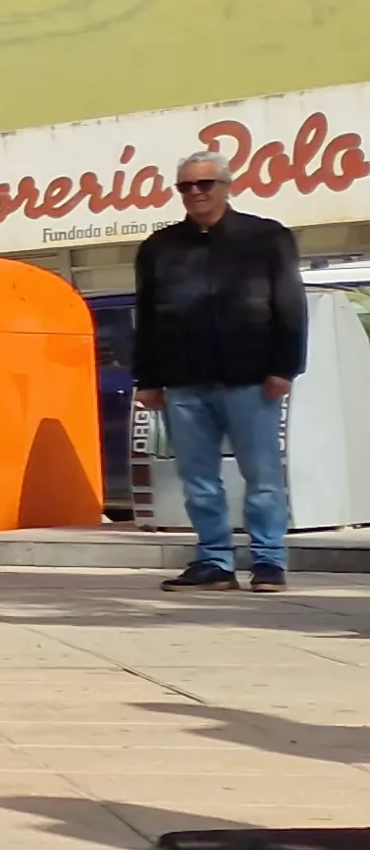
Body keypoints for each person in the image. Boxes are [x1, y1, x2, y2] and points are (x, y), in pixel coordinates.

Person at [134, 148, 305, 593]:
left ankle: (268, 561)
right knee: (198, 479)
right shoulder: (160, 248)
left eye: (204, 184)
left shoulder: (267, 238)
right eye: (186, 186)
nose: (195, 193)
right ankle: (214, 561)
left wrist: (285, 366)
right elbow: (148, 316)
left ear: (225, 187)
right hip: (185, 381)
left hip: (251, 378)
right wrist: (147, 379)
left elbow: (289, 305)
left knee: (263, 475)